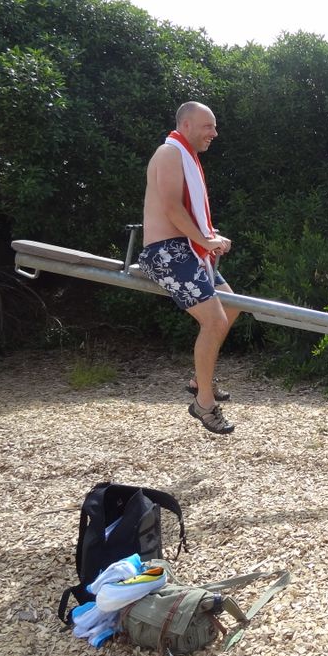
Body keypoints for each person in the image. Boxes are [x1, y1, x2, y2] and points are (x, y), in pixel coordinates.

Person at [136, 101, 241, 434]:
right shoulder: (169, 153)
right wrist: (206, 240)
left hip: (187, 250)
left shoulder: (185, 156)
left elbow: (185, 212)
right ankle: (204, 403)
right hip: (165, 252)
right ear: (186, 125)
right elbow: (171, 207)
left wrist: (208, 237)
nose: (215, 133)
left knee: (231, 307)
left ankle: (200, 380)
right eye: (208, 126)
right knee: (215, 319)